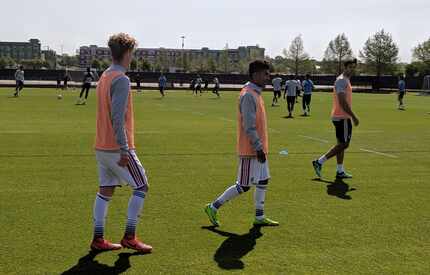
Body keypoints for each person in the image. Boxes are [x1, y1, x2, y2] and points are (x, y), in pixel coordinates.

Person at [90, 33, 152, 253]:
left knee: (105, 190)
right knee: (141, 186)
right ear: (127, 53)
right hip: (116, 148)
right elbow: (117, 118)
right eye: (132, 53)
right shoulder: (121, 79)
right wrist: (125, 149)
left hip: (101, 146)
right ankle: (130, 236)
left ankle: (98, 239)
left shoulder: (105, 76)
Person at [204, 60, 279, 227]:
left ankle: (259, 216)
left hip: (259, 148)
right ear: (256, 75)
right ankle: (213, 207)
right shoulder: (248, 95)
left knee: (263, 180)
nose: (268, 77)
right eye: (266, 74)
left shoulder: (256, 93)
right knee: (244, 185)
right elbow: (249, 126)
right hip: (250, 149)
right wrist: (258, 147)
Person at [312, 59, 360, 179]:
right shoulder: (342, 80)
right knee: (344, 144)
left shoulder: (346, 80)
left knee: (341, 144)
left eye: (354, 67)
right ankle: (319, 162)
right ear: (345, 67)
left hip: (341, 116)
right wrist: (353, 116)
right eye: (350, 67)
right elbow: (342, 101)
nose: (352, 69)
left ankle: (339, 171)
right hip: (342, 116)